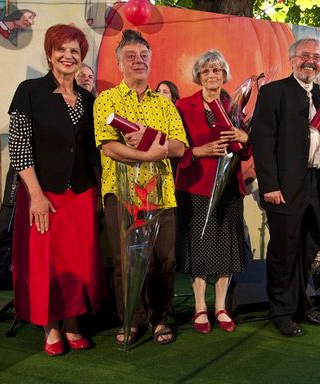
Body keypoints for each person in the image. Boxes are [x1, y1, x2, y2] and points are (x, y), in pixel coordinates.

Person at [8, 24, 103, 356]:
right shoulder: (29, 91)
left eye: (75, 51)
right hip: (43, 193)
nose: (68, 55)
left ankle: (74, 323)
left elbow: (93, 151)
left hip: (81, 193)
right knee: (47, 261)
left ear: (81, 59)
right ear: (49, 54)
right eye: (61, 49)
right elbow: (19, 145)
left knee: (79, 260)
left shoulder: (89, 99)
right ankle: (50, 326)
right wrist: (35, 193)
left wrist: (101, 190)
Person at [94, 29, 188, 345]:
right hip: (121, 193)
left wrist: (155, 140)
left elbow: (179, 146)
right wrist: (146, 153)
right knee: (126, 262)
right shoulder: (107, 100)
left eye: (144, 56)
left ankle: (159, 320)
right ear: (119, 63)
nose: (139, 61)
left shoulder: (163, 104)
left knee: (165, 261)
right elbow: (108, 146)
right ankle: (131, 320)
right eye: (131, 57)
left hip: (161, 193)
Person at [251, 38, 320, 337]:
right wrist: (269, 185)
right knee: (284, 251)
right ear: (292, 59)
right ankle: (280, 311)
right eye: (305, 55)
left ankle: (302, 305)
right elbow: (262, 142)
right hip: (284, 186)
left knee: (308, 249)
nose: (311, 61)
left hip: (317, 183)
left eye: (316, 57)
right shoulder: (273, 92)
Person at [175, 49, 250, 334]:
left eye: (217, 70)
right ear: (199, 76)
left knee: (225, 248)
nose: (211, 76)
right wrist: (198, 151)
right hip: (195, 185)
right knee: (199, 247)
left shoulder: (234, 106)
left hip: (229, 187)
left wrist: (245, 137)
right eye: (206, 71)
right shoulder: (183, 106)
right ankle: (199, 308)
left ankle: (220, 306)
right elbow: (174, 148)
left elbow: (244, 150)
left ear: (224, 75)